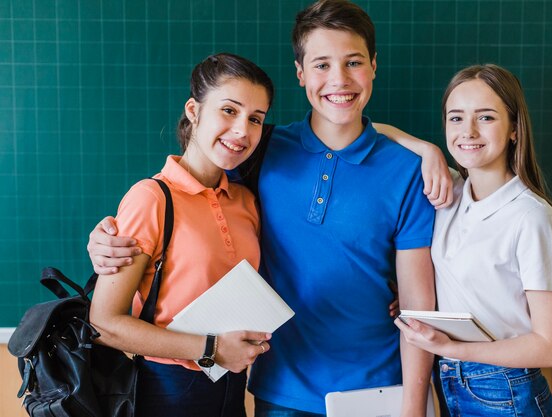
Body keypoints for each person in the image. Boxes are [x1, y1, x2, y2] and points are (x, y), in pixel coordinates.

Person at [87, 1, 452, 416]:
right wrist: (103, 240)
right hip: (279, 388)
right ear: (300, 73)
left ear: (373, 65)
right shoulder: (262, 153)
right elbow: (183, 197)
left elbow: (418, 305)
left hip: (379, 389)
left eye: (353, 62)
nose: (338, 79)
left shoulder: (408, 171)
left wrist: (423, 147)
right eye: (321, 65)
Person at [88, 52, 276, 417]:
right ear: (194, 110)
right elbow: (104, 323)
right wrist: (211, 348)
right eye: (228, 110)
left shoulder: (245, 201)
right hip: (165, 391)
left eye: (255, 119)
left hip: (231, 388)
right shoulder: (151, 198)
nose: (242, 130)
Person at [393, 64, 552, 417]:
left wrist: (453, 349)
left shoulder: (532, 218)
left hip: (505, 390)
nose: (467, 131)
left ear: (514, 130)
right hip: (451, 381)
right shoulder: (451, 193)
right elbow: (377, 131)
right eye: (455, 118)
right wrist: (428, 150)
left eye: (486, 118)